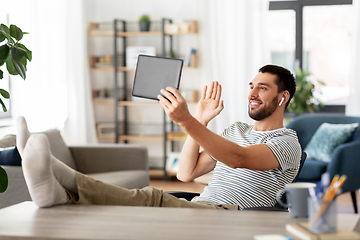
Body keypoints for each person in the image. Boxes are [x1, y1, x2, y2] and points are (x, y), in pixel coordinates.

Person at [18, 64, 301, 210]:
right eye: (251, 86)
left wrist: (187, 121)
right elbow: (185, 173)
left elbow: (239, 159)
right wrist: (200, 120)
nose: (251, 93)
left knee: (147, 199)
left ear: (282, 98)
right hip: (199, 206)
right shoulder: (235, 131)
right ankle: (59, 191)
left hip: (229, 213)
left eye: (262, 88)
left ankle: (59, 178)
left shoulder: (287, 143)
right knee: (135, 207)